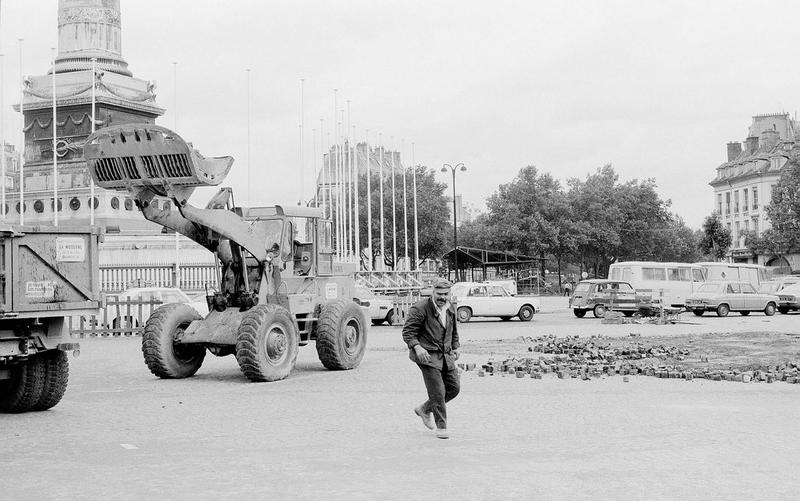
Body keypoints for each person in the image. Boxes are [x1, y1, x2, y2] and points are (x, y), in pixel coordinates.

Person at [402, 278, 460, 439]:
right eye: (439, 293)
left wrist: (456, 346)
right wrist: (417, 347)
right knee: (438, 391)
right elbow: (408, 332)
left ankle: (425, 408)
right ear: (433, 292)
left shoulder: (450, 308)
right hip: (426, 355)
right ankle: (442, 428)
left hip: (445, 354)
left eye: (446, 294)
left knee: (454, 388)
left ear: (450, 293)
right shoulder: (420, 308)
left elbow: (454, 330)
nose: (442, 297)